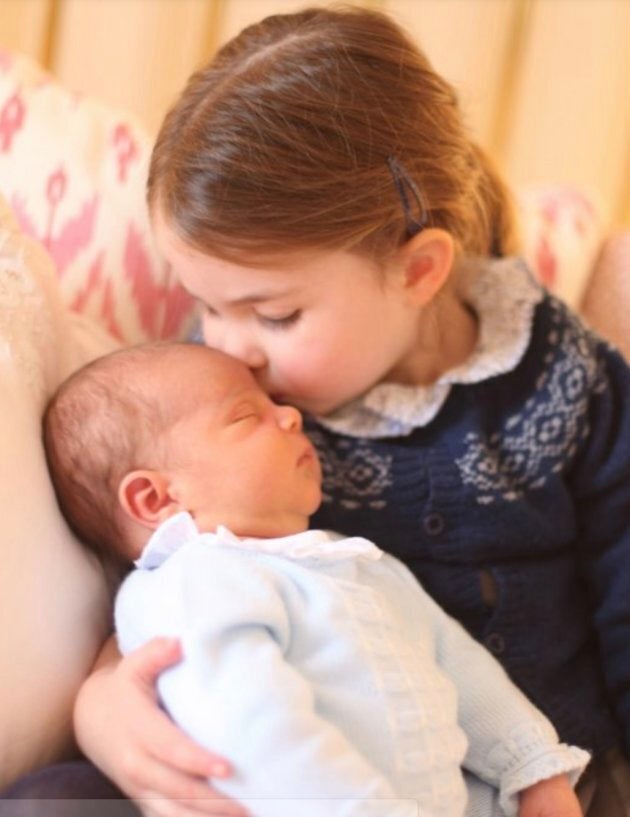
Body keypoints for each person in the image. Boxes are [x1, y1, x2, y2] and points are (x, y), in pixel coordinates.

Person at [2, 5, 629, 817]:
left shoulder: (568, 381)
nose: (234, 348)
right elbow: (157, 562)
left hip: (527, 779)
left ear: (419, 270)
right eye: (206, 305)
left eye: (275, 314)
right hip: (271, 753)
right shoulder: (223, 387)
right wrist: (99, 701)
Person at [42, 341, 588, 817]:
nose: (291, 417)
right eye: (244, 416)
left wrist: (532, 767)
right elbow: (253, 730)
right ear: (156, 498)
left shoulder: (362, 565)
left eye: (274, 405)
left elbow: (460, 669)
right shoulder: (195, 581)